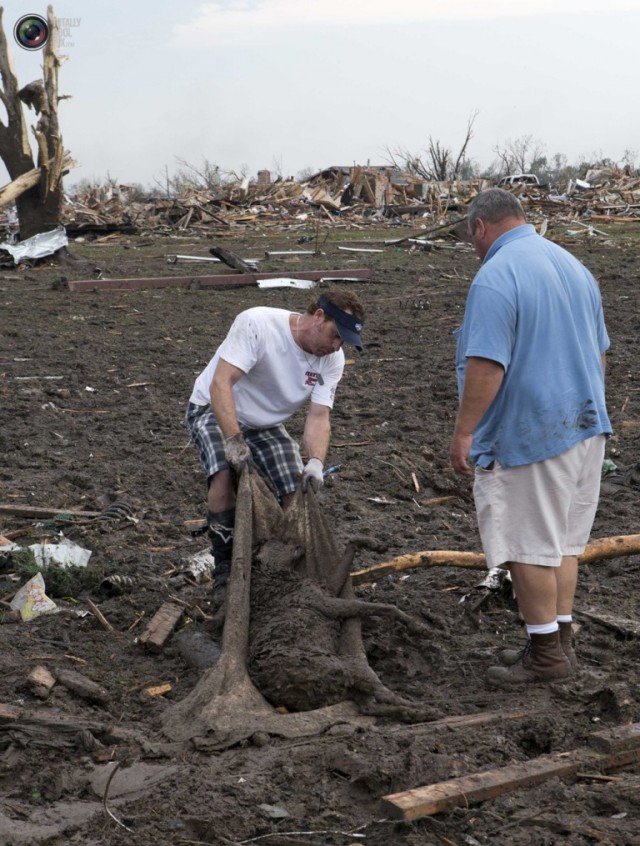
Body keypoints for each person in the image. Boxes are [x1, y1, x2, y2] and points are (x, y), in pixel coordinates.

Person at [449, 188, 611, 686]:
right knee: (563, 544)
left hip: (531, 432)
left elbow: (487, 363)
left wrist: (465, 430)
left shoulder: (498, 275)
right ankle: (559, 639)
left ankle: (546, 657)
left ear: (480, 227)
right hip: (585, 425)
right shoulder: (573, 266)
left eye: (471, 237)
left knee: (526, 545)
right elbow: (602, 353)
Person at [186, 289, 365, 601]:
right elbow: (220, 382)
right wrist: (233, 442)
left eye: (344, 342)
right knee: (224, 476)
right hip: (214, 408)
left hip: (265, 424)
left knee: (297, 491)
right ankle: (224, 571)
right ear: (319, 316)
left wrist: (315, 463)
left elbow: (319, 416)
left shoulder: (332, 359)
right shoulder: (258, 324)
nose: (337, 347)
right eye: (336, 336)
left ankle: (288, 567)